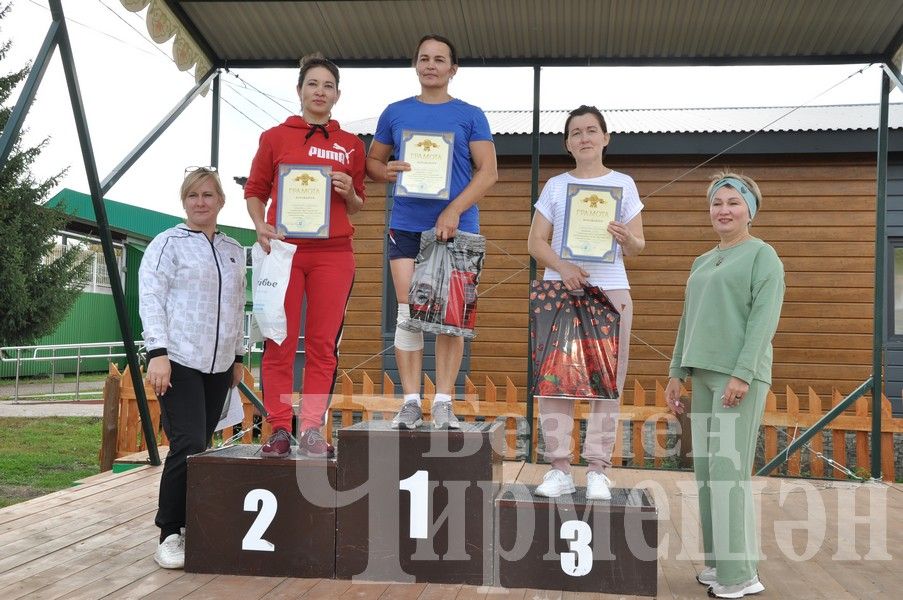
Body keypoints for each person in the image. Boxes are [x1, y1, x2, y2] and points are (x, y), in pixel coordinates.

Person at [366, 34, 498, 430]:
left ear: (452, 69)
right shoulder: (395, 112)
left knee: (449, 318)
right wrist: (383, 171)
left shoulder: (471, 114)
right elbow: (374, 163)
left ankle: (442, 402)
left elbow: (488, 172)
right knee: (409, 314)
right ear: (416, 65)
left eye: (440, 59)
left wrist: (454, 209)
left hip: (457, 228)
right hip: (406, 225)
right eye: (424, 58)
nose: (431, 65)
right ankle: (409, 401)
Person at [665, 172, 784, 598]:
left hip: (740, 378)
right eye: (717, 203)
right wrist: (676, 371)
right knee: (706, 473)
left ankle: (741, 576)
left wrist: (743, 373)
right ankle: (719, 564)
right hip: (702, 375)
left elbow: (763, 322)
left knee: (728, 472)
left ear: (749, 209)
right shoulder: (702, 261)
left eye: (733, 202)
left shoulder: (762, 257)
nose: (724, 210)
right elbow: (687, 320)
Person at [244, 54, 366, 458]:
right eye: (313, 84)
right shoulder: (275, 137)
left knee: (321, 344)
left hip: (334, 255)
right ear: (300, 91)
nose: (320, 91)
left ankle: (312, 427)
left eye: (328, 86)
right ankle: (279, 426)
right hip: (284, 253)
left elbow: (358, 204)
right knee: (278, 340)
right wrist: (260, 224)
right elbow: (255, 191)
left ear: (337, 95)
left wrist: (350, 192)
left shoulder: (351, 145)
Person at [527, 105, 645, 501]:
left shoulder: (624, 184)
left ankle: (598, 470)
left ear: (606, 138)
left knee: (607, 383)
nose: (584, 137)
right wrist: (563, 267)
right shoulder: (556, 186)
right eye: (576, 132)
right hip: (561, 292)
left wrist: (626, 239)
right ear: (567, 143)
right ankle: (559, 469)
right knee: (555, 383)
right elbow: (535, 242)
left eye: (591, 130)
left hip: (610, 291)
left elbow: (639, 244)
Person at [139, 167, 246, 569]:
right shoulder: (168, 244)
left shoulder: (234, 248)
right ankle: (168, 532)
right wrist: (158, 352)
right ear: (184, 202)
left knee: (201, 447)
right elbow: (150, 296)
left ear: (221, 200)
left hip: (219, 364)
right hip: (178, 359)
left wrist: (237, 356)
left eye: (207, 195)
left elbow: (237, 305)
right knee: (186, 444)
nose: (200, 202)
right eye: (193, 196)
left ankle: (191, 524)